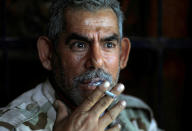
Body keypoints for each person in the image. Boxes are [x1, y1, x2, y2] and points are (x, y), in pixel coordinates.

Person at [0, 0, 162, 130]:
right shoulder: (12, 125)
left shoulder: (136, 117)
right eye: (80, 45)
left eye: (109, 45)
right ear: (48, 54)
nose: (96, 61)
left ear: (123, 54)